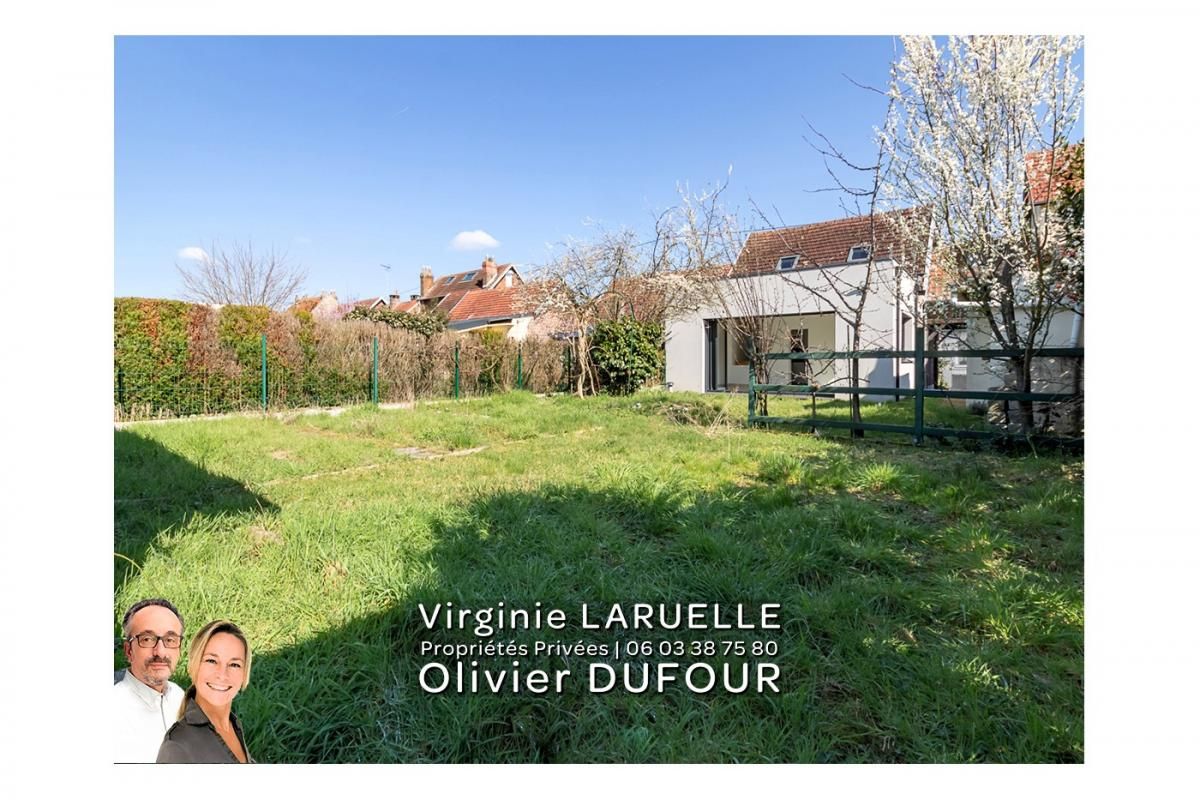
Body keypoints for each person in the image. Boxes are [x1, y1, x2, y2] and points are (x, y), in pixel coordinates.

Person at [157, 620, 253, 763]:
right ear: (193, 666)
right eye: (211, 661)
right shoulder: (177, 746)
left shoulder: (234, 725)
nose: (222, 674)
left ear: (244, 673)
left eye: (234, 664)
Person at [114, 598, 187, 763]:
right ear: (128, 651)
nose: (160, 652)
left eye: (170, 640)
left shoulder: (179, 696)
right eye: (147, 639)